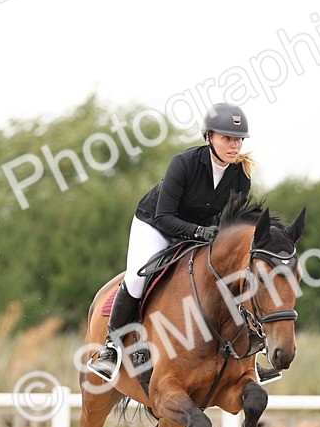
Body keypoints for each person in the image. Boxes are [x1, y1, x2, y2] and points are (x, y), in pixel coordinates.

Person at [88, 103, 254, 381]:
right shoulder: (184, 163)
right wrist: (200, 232)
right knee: (137, 278)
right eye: (227, 138)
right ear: (209, 137)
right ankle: (111, 348)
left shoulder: (241, 175)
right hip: (156, 224)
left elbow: (231, 223)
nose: (234, 145)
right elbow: (164, 216)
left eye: (238, 139)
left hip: (202, 231)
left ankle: (247, 350)